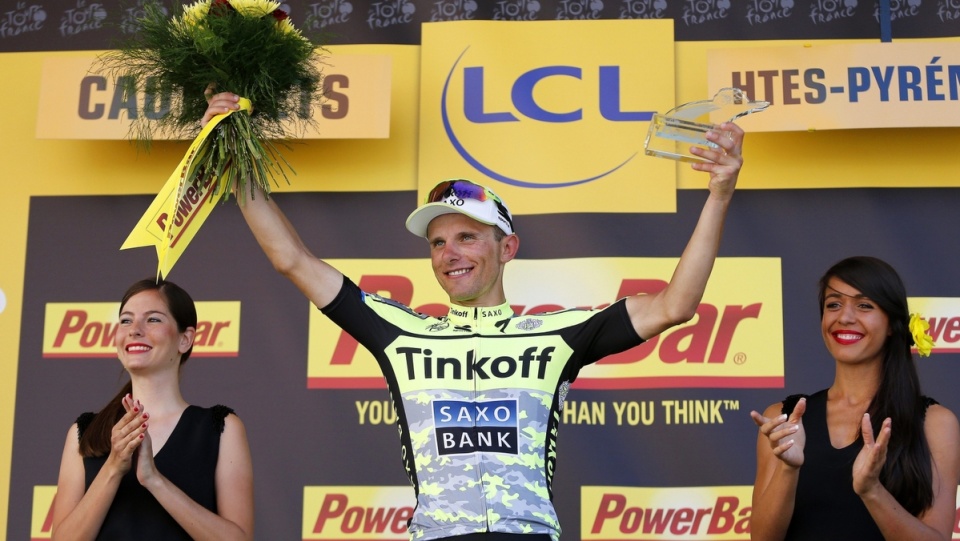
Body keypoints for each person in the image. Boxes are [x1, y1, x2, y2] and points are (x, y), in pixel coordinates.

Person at [203, 92, 745, 541]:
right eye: (438, 242)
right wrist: (235, 156)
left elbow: (676, 305)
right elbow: (290, 259)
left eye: (467, 237)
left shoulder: (556, 333)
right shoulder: (401, 331)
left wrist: (719, 193)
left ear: (507, 248)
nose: (450, 253)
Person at [749, 256, 960, 541]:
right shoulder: (783, 418)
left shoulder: (935, 423)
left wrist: (872, 490)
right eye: (833, 304)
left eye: (864, 305)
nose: (844, 317)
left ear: (891, 324)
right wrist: (788, 469)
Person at [51, 279, 254, 541]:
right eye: (125, 320)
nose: (134, 330)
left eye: (153, 320)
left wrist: (154, 479)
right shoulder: (84, 432)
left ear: (185, 339)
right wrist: (113, 466)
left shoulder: (221, 428)